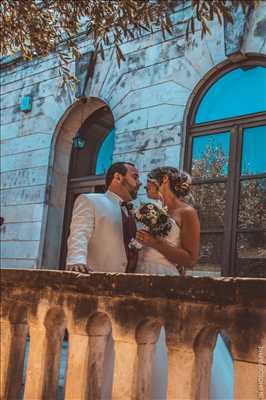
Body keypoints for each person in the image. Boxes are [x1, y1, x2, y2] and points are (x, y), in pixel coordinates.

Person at [66, 161, 141, 273]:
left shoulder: (132, 211)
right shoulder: (90, 200)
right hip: (97, 276)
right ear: (118, 177)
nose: (139, 183)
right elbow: (80, 232)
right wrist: (76, 260)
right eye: (135, 177)